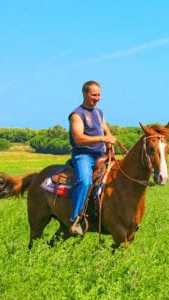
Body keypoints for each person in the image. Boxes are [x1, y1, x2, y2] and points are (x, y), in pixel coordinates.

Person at [68, 80, 116, 236]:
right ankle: (76, 220)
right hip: (83, 155)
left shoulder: (99, 113)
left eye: (99, 95)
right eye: (94, 95)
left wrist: (109, 143)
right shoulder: (77, 114)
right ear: (84, 94)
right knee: (85, 181)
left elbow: (107, 131)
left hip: (100, 155)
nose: (97, 98)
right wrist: (102, 139)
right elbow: (78, 139)